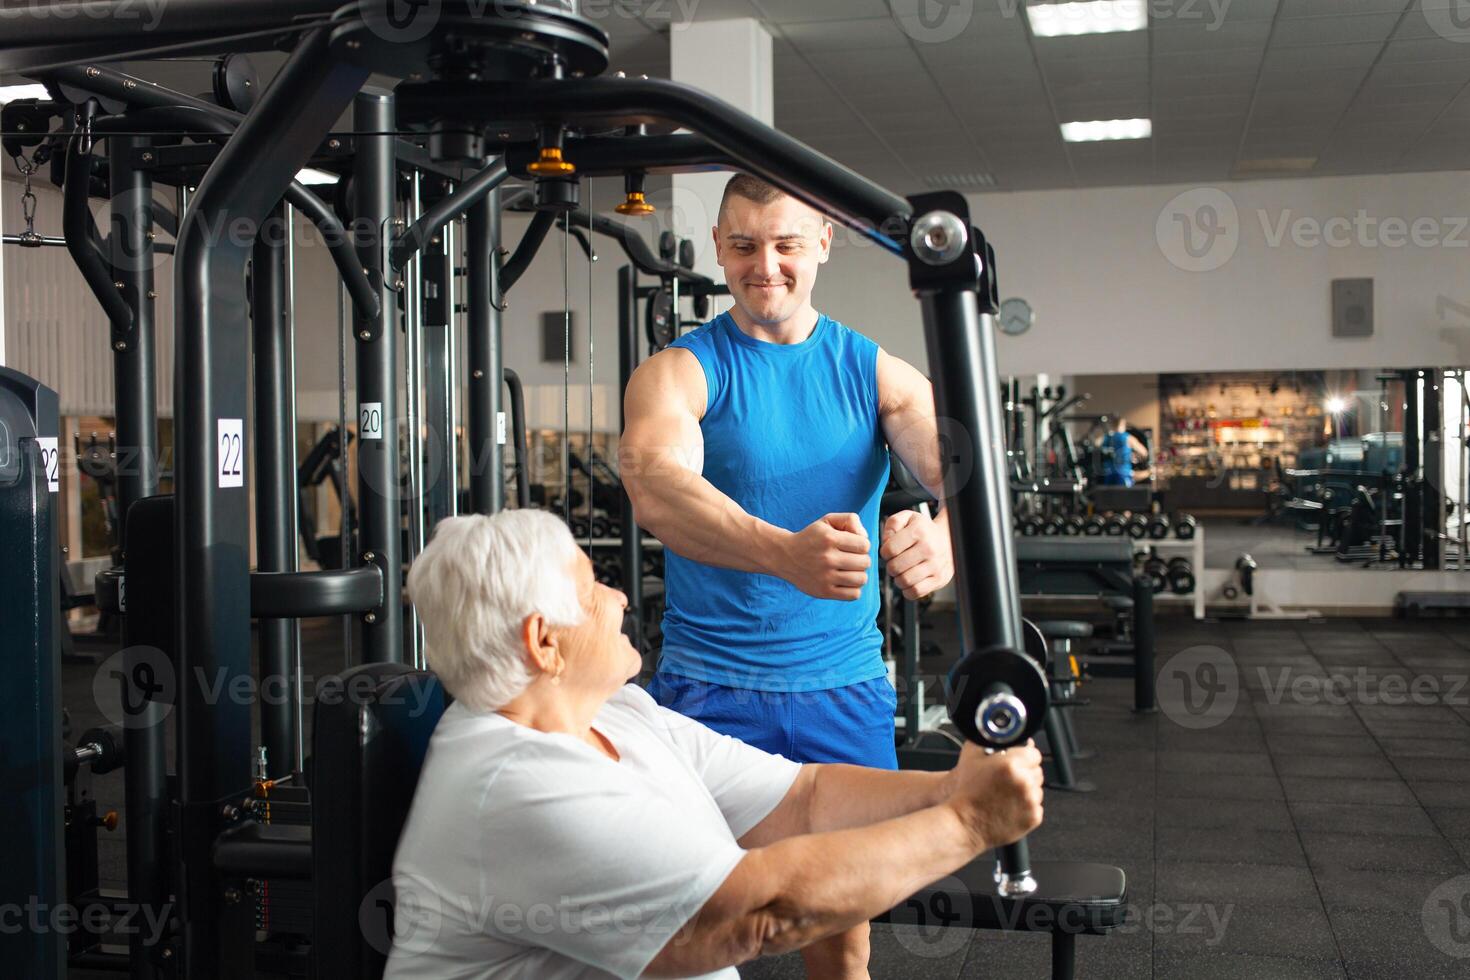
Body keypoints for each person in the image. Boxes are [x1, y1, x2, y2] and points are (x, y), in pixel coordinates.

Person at [384, 511, 1044, 980]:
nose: (618, 598)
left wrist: (950, 789)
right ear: (543, 642)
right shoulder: (515, 783)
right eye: (591, 592)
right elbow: (762, 913)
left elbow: (806, 800)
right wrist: (969, 822)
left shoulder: (617, 713)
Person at [620, 173, 956, 977]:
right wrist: (784, 554)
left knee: (842, 946)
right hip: (709, 696)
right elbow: (654, 486)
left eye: (785, 245)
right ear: (719, 250)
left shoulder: (874, 372)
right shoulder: (681, 371)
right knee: (695, 939)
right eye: (741, 246)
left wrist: (947, 539)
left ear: (824, 246)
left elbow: (971, 480)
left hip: (841, 694)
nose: (763, 265)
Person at [1100, 418, 1150, 487]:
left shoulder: (1106, 437)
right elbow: (1144, 452)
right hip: (1123, 474)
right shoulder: (1127, 437)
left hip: (1108, 474)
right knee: (1148, 473)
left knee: (1110, 496)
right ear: (1123, 425)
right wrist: (1133, 455)